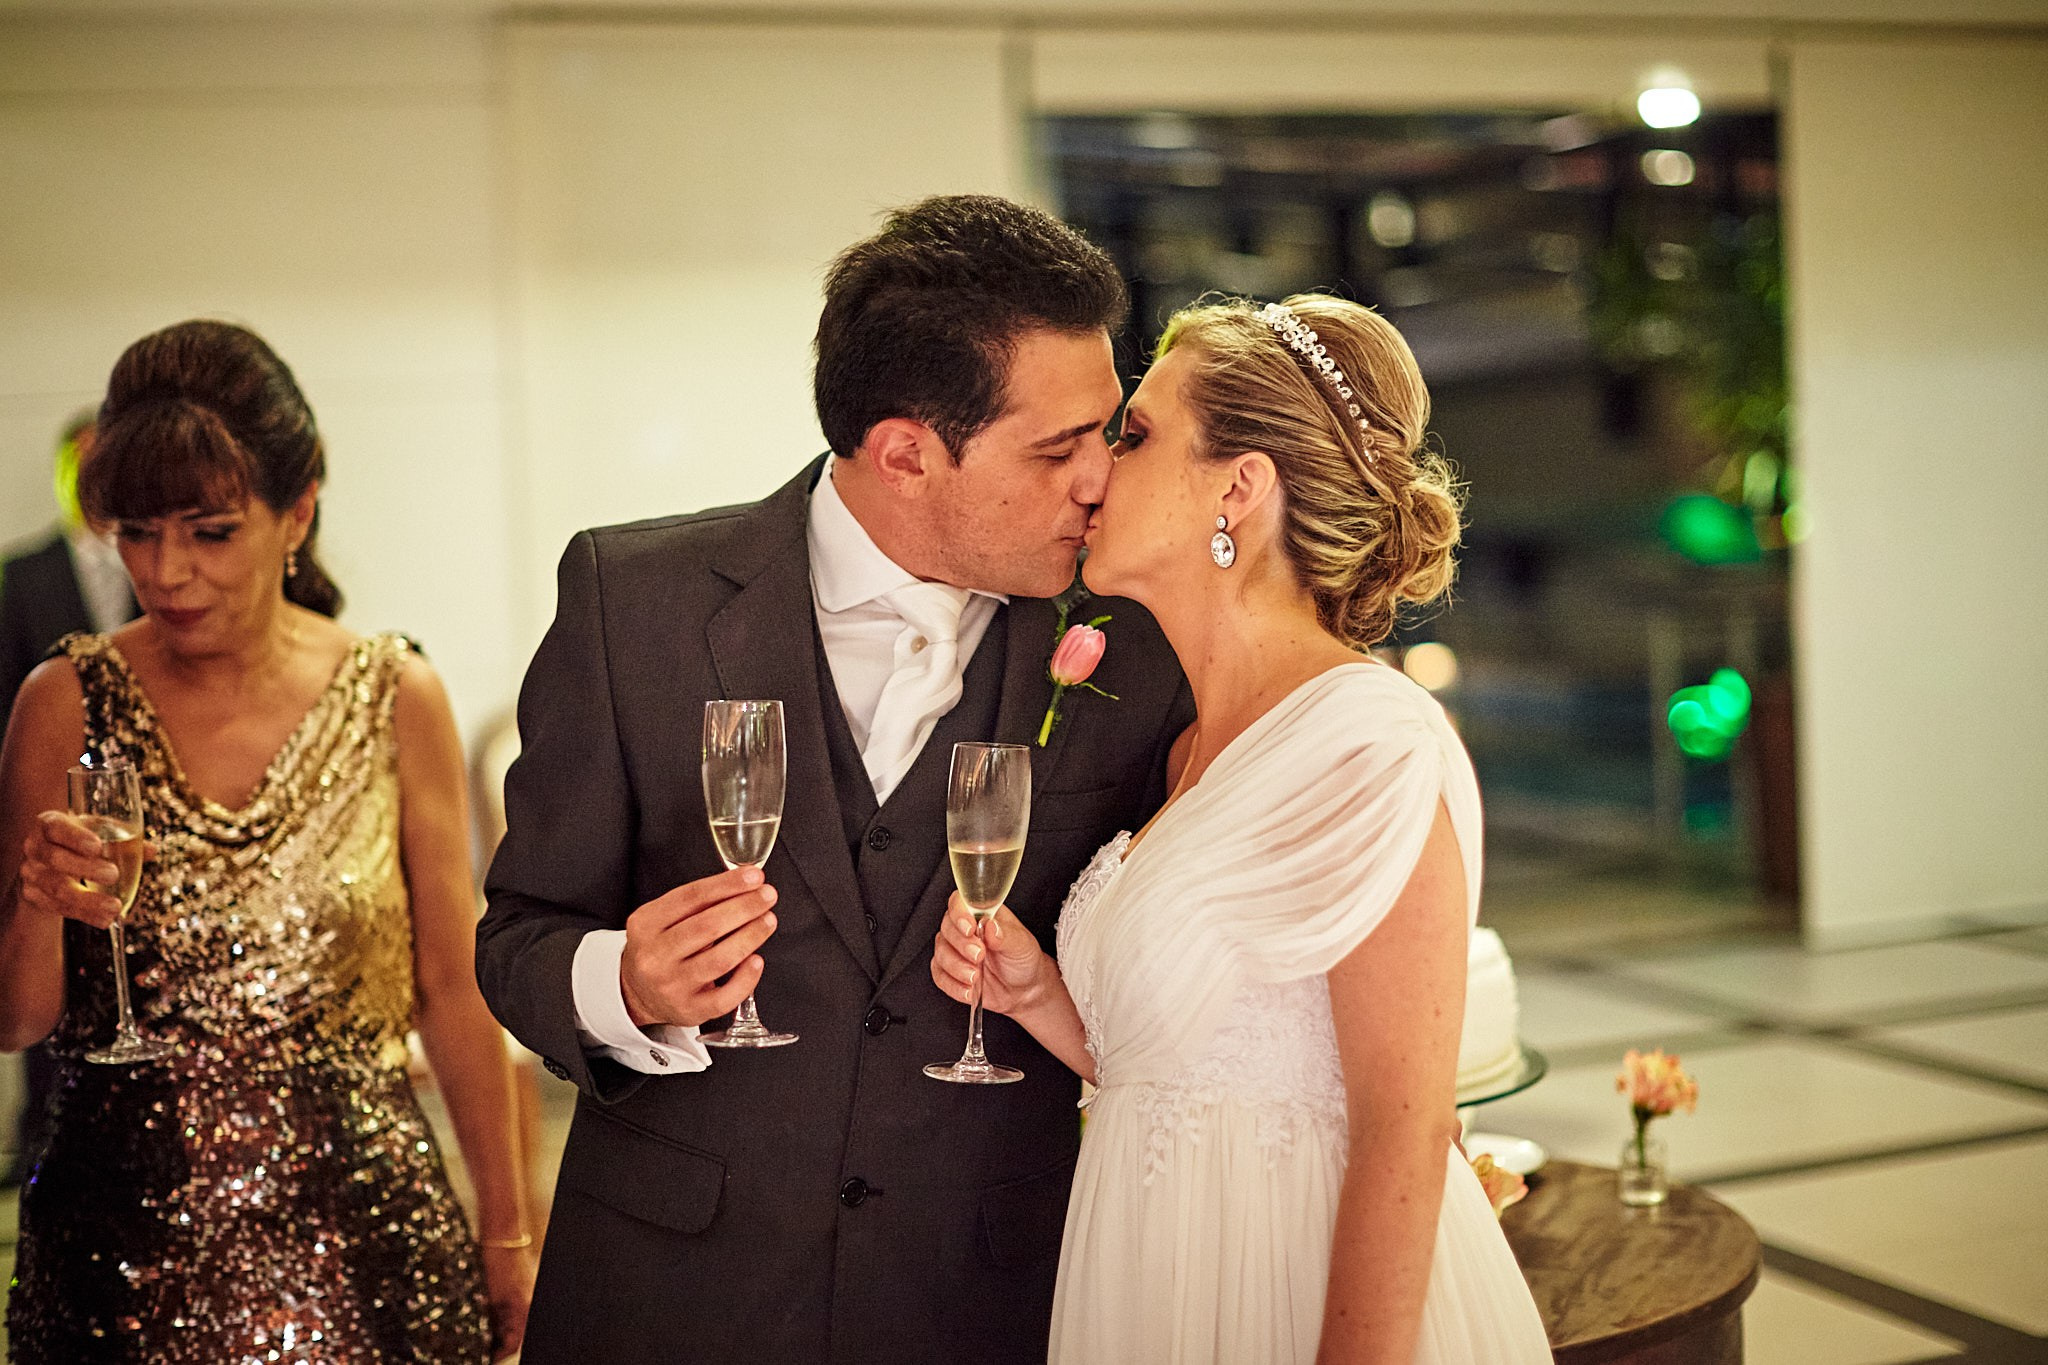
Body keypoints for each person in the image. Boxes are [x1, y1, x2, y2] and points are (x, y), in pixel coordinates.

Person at [475, 194, 1191, 1365]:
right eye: (1056, 450)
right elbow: (515, 936)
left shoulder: (1140, 635)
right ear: (904, 452)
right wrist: (625, 983)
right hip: (673, 1299)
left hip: (991, 1298)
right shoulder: (629, 600)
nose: (1096, 483)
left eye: (1104, 438)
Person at [931, 294, 1554, 1363]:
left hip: (1287, 1282)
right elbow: (1198, 1069)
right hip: (1154, 1277)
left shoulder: (1368, 741)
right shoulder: (1181, 748)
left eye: (1132, 435)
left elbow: (1399, 1139)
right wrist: (1038, 994)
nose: (1094, 472)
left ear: (1239, 484)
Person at [0, 320, 535, 1362]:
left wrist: (507, 1228)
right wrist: (34, 900)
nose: (168, 573)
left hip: (370, 1242)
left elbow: (452, 982)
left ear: (298, 512)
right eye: (138, 533)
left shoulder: (391, 693)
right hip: (120, 1251)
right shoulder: (66, 699)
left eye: (209, 532)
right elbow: (18, 1022)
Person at [0, 411, 136, 1189]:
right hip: (50, 810)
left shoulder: (158, 569)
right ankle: (47, 1153)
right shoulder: (25, 573)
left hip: (137, 824)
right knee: (38, 978)